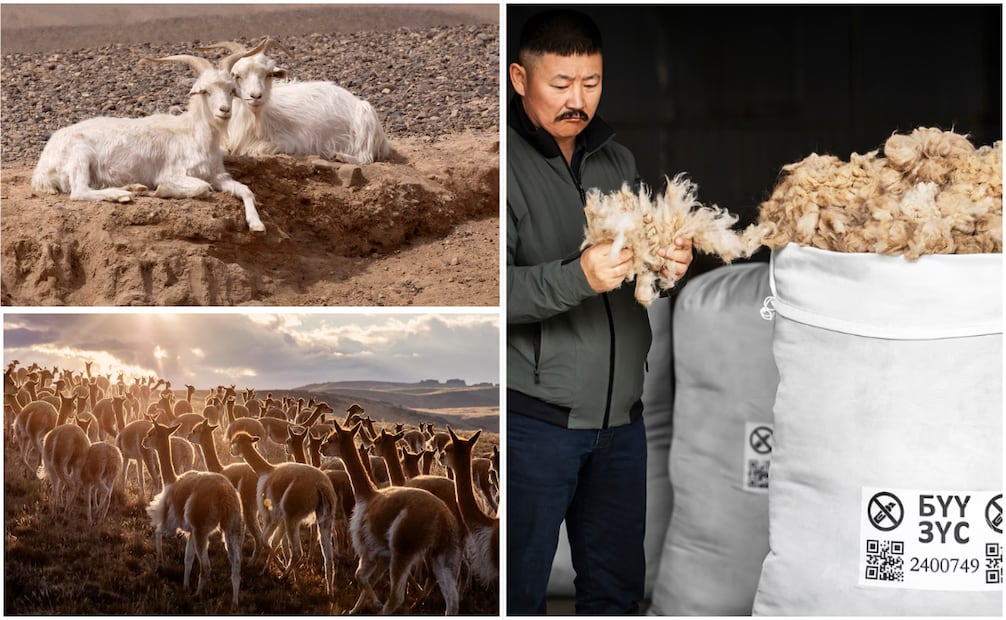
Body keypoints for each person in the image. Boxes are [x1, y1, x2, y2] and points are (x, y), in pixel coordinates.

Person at [506, 8, 694, 616]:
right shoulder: (501, 166)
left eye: (591, 83)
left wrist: (665, 264)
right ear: (519, 79)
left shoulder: (617, 161)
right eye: (561, 83)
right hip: (534, 424)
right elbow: (492, 293)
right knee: (514, 593)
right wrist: (577, 277)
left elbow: (636, 271)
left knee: (616, 596)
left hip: (621, 425)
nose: (577, 100)